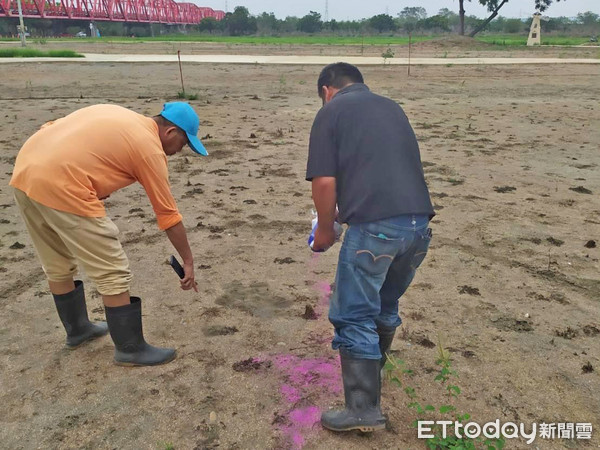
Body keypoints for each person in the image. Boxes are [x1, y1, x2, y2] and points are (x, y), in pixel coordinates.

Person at [10, 102, 208, 366]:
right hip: (63, 184)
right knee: (112, 269)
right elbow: (168, 215)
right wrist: (189, 261)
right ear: (171, 132)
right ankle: (130, 349)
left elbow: (53, 129)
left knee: (57, 263)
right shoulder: (149, 148)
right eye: (183, 145)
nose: (178, 151)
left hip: (26, 172)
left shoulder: (118, 114)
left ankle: (78, 330)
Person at [306, 63, 435, 432]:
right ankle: (373, 379)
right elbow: (382, 172)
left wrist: (326, 230)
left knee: (353, 313)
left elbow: (325, 180)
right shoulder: (392, 107)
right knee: (385, 303)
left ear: (327, 90)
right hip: (418, 227)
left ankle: (362, 409)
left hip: (375, 231)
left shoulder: (331, 111)